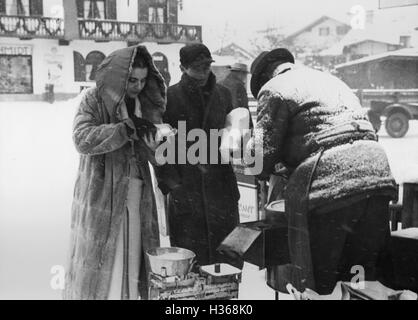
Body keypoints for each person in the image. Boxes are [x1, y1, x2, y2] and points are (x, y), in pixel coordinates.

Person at [246, 48, 398, 294]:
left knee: (321, 283)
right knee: (367, 279)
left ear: (265, 78)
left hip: (329, 187)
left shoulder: (274, 89)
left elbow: (259, 157)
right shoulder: (332, 81)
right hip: (376, 175)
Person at [64, 45, 166, 300]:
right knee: (104, 267)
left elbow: (150, 155)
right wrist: (124, 129)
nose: (138, 87)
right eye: (132, 80)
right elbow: (82, 138)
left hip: (136, 196)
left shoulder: (142, 104)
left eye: (143, 81)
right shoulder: (93, 99)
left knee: (133, 263)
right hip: (102, 197)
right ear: (119, 76)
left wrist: (155, 149)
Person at [159, 43, 244, 269]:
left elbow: (239, 131)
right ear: (183, 67)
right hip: (187, 188)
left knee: (226, 257)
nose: (204, 71)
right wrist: (172, 184)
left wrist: (239, 140)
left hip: (221, 187)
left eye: (207, 65)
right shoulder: (170, 97)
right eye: (197, 67)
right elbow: (162, 143)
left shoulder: (224, 94)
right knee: (190, 260)